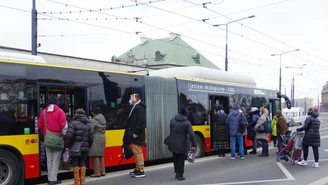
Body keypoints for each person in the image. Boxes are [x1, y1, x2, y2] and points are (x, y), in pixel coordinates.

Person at [38, 97, 68, 185]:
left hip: (47, 139)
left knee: (49, 160)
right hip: (58, 139)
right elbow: (64, 127)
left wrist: (46, 134)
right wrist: (65, 137)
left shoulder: (43, 112)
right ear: (57, 103)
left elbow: (40, 126)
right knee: (56, 160)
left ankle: (49, 178)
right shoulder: (60, 111)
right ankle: (53, 179)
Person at [65, 109, 93, 185]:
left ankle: (76, 182)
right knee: (83, 162)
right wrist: (88, 146)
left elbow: (69, 135)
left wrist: (67, 145)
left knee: (75, 163)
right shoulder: (88, 124)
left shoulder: (73, 123)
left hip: (75, 148)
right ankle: (82, 181)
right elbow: (91, 138)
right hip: (85, 147)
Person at [168, 108, 196, 181]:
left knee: (175, 159)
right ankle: (180, 175)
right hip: (182, 144)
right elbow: (192, 135)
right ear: (185, 115)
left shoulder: (172, 120)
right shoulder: (187, 123)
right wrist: (194, 144)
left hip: (172, 143)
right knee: (181, 160)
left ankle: (177, 173)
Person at [123, 94, 146, 178]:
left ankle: (141, 170)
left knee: (137, 151)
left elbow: (140, 121)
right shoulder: (135, 107)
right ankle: (137, 168)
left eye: (131, 98)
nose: (129, 99)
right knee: (135, 151)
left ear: (136, 99)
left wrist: (136, 132)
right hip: (133, 134)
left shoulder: (139, 108)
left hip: (137, 135)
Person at [89, 107, 107, 177]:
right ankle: (102, 171)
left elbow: (91, 129)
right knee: (101, 155)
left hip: (96, 137)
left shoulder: (94, 119)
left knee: (95, 155)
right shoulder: (103, 118)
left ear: (94, 113)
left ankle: (97, 172)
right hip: (102, 137)